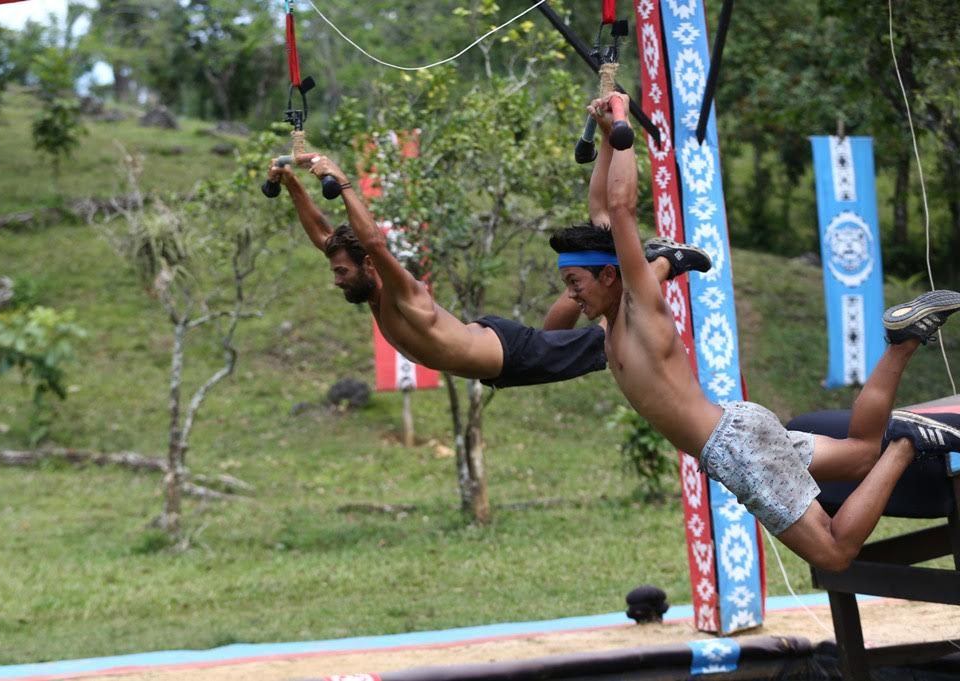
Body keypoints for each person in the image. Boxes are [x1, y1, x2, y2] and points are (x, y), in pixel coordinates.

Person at [587, 90, 960, 572]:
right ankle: (903, 342)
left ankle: (908, 441)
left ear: (610, 277)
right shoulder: (610, 319)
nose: (570, 295)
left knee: (833, 553)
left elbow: (619, 209)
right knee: (861, 455)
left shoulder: (635, 308)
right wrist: (605, 140)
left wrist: (622, 121)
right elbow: (600, 216)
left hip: (735, 446)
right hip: (740, 425)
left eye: (574, 283)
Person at [264, 137, 709, 389]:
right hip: (498, 348)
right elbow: (323, 235)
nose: (337, 280)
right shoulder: (372, 289)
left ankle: (660, 263)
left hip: (509, 357)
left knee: (615, 333)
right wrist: (292, 185)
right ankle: (618, 268)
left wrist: (343, 184)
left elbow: (375, 242)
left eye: (342, 272)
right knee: (559, 332)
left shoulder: (402, 292)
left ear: (368, 266)